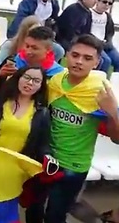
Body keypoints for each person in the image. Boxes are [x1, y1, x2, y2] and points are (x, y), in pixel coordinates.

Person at [31, 34, 119, 222]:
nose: (79, 62)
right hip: (44, 159)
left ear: (97, 62)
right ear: (67, 55)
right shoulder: (55, 82)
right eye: (75, 55)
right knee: (33, 206)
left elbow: (116, 138)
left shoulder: (99, 91)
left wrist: (112, 112)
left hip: (73, 165)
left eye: (87, 58)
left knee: (55, 214)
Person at [0, 26, 64, 84]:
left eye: (34, 48)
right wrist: (0, 76)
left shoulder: (57, 74)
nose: (28, 51)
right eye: (27, 46)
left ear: (48, 50)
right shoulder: (13, 61)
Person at [90, 0, 119, 72]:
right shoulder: (89, 13)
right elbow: (85, 31)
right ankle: (100, 82)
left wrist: (108, 41)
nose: (107, 5)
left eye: (110, 3)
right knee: (106, 61)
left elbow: (110, 32)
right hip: (92, 43)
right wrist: (98, 42)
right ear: (98, 1)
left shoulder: (107, 16)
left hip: (105, 44)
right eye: (104, 2)